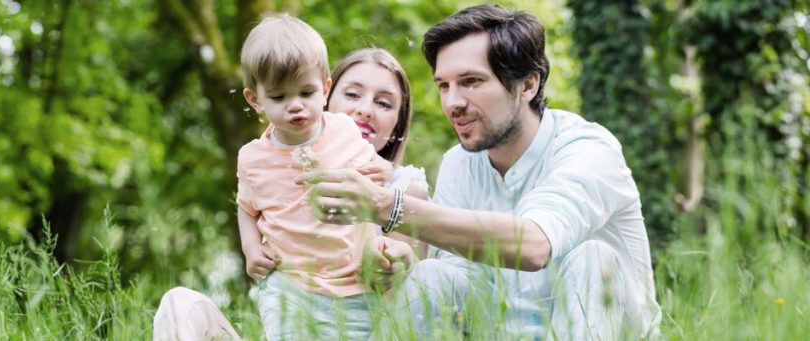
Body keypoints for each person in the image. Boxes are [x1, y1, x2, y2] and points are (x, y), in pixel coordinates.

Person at [302, 4, 662, 340]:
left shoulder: (587, 149)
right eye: (444, 86)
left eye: (471, 82)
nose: (452, 103)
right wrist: (400, 261)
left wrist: (387, 205)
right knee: (430, 274)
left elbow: (534, 245)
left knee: (592, 259)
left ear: (527, 84)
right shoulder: (458, 165)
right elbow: (454, 283)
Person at [152, 47, 424, 340]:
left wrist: (389, 263)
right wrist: (252, 250)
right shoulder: (274, 170)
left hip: (358, 326)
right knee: (180, 304)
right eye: (353, 95)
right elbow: (248, 209)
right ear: (326, 97)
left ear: (398, 120)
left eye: (384, 103)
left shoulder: (405, 188)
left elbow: (404, 312)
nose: (366, 109)